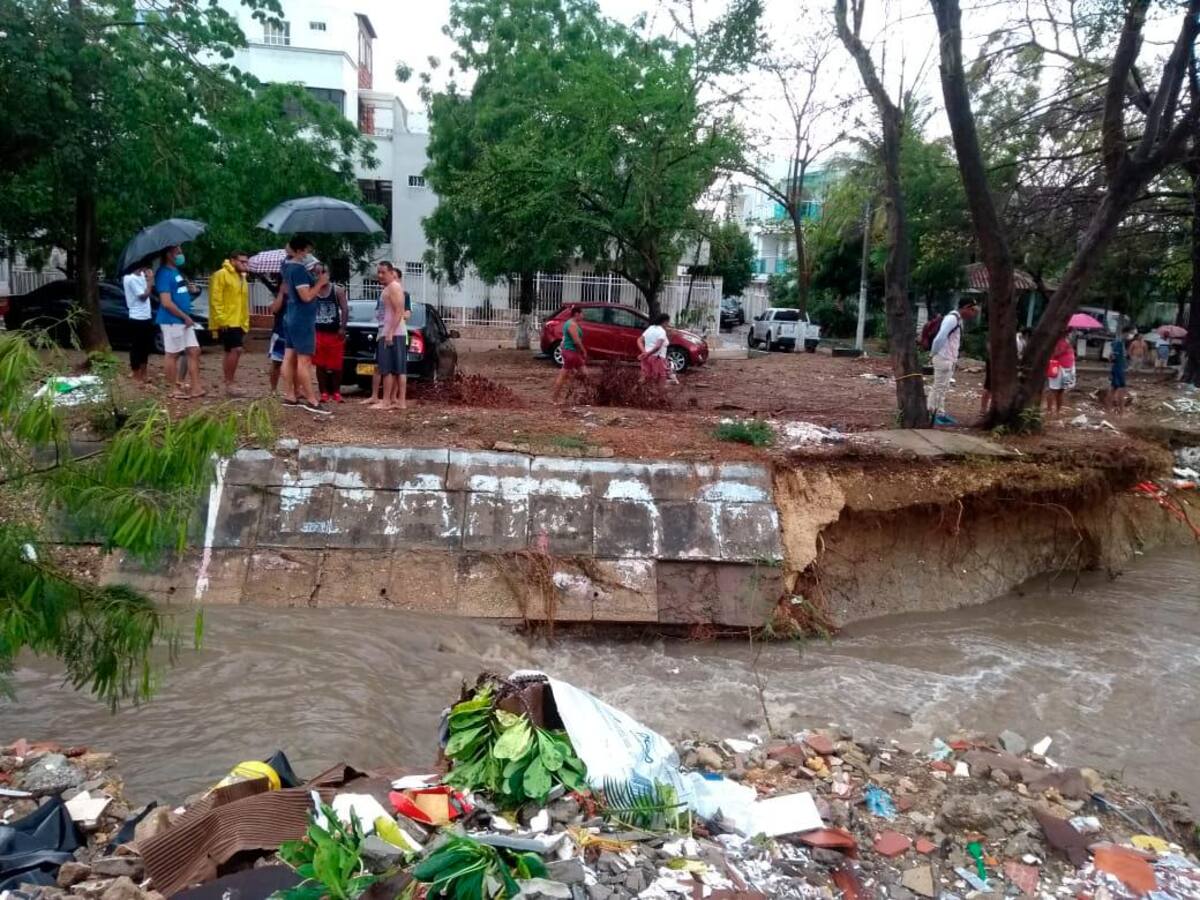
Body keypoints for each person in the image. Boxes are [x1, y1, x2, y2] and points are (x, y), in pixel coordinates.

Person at [280, 236, 332, 416]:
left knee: (289, 356)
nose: (309, 255)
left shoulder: (286, 266)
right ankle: (311, 400)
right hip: (302, 320)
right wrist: (320, 282)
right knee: (304, 360)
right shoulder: (299, 270)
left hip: (290, 316)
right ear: (300, 251)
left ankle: (290, 395)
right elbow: (306, 296)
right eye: (307, 251)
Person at [154, 245, 203, 399]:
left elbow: (178, 294)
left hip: (184, 319)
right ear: (168, 254)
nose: (181, 254)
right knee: (173, 354)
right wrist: (184, 316)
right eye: (178, 252)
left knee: (194, 351)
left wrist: (190, 291)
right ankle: (173, 388)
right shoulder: (163, 273)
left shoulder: (176, 272)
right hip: (172, 320)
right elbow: (166, 302)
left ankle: (196, 387)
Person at [927, 298, 979, 426]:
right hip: (943, 358)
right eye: (972, 310)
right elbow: (940, 338)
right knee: (938, 387)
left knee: (943, 387)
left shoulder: (958, 319)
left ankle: (940, 412)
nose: (973, 313)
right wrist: (933, 353)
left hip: (949, 359)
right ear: (966, 307)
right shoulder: (951, 319)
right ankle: (931, 412)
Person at [208, 250, 251, 396]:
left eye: (246, 262)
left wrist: (245, 321)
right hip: (227, 321)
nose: (245, 264)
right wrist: (221, 319)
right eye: (242, 261)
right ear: (233, 260)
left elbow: (243, 302)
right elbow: (215, 298)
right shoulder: (221, 274)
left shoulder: (242, 278)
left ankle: (228, 383)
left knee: (230, 351)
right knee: (236, 350)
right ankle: (230, 383)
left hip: (239, 321)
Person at [311, 262, 349, 403]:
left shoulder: (337, 290)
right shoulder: (313, 291)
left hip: (334, 333)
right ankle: (324, 392)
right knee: (320, 365)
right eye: (317, 273)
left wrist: (343, 328)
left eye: (322, 272)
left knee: (336, 365)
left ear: (328, 274)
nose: (320, 276)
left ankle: (337, 392)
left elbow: (345, 309)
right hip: (318, 333)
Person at [373, 261, 408, 410]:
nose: (380, 275)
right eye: (378, 272)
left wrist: (390, 333)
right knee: (387, 368)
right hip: (386, 332)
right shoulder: (389, 288)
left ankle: (387, 401)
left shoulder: (394, 287)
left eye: (383, 272)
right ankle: (389, 400)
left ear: (390, 272)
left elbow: (399, 311)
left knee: (389, 369)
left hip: (393, 333)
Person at [122, 264, 155, 384]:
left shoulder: (141, 275)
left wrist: (147, 279)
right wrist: (150, 281)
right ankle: (136, 374)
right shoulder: (129, 278)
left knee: (145, 347)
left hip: (146, 315)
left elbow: (148, 290)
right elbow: (143, 296)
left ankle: (144, 373)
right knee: (136, 346)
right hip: (136, 316)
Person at [552, 305, 589, 403]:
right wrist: (583, 351)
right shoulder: (571, 324)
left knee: (585, 374)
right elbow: (576, 340)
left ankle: (584, 393)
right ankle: (555, 399)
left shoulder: (573, 324)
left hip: (574, 353)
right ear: (577, 314)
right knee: (562, 375)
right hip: (570, 352)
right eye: (582, 313)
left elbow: (565, 339)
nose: (583, 315)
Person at [1044, 328, 1076, 418]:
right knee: (1053, 389)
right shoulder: (1055, 340)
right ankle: (1049, 411)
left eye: (1069, 331)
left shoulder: (1067, 341)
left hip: (1067, 369)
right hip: (1057, 367)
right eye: (1067, 331)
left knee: (1061, 390)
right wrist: (1064, 349)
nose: (1068, 333)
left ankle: (1058, 410)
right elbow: (1054, 353)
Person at [638, 313, 670, 385]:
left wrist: (644, 353)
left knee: (645, 376)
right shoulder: (662, 331)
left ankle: (640, 394)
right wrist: (647, 354)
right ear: (665, 322)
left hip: (646, 357)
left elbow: (639, 340)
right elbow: (658, 346)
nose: (668, 325)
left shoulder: (650, 328)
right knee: (660, 378)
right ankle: (659, 395)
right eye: (668, 323)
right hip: (657, 358)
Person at [1108, 326, 1133, 415]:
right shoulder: (1118, 343)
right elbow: (1112, 357)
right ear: (1126, 333)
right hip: (1118, 369)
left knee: (1113, 389)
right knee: (1121, 390)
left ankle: (1109, 410)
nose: (1131, 335)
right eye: (1131, 333)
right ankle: (1122, 412)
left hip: (1119, 368)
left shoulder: (1120, 343)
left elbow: (1112, 357)